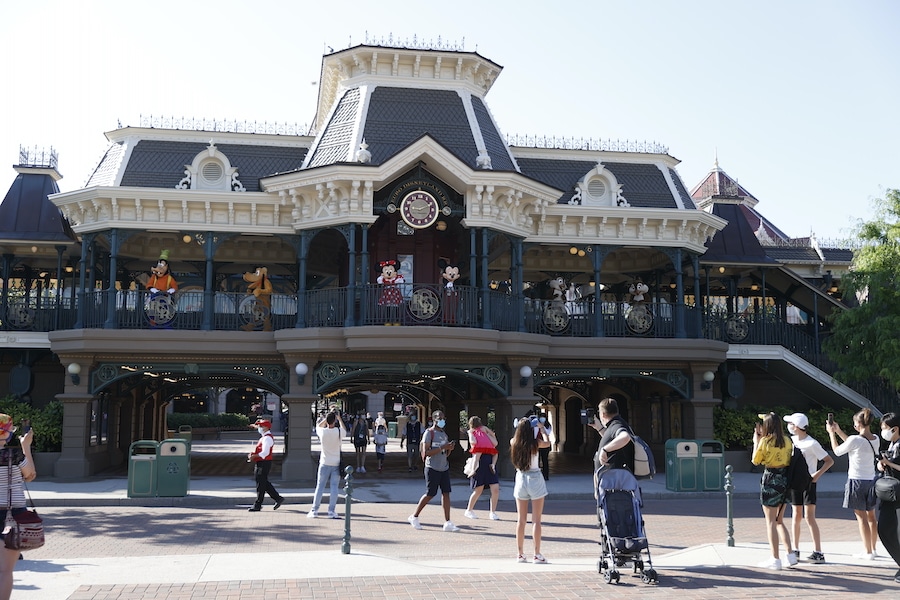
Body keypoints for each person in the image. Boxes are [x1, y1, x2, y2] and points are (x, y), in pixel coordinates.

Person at [827, 407, 880, 560]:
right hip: (871, 480)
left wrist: (832, 433)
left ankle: (867, 551)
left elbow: (837, 451)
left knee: (861, 518)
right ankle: (873, 549)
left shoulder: (855, 440)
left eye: (855, 423)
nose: (854, 426)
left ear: (859, 423)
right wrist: (839, 431)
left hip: (856, 481)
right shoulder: (875, 439)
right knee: (871, 517)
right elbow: (853, 443)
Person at [783, 412, 834, 564]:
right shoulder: (790, 441)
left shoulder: (812, 443)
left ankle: (818, 551)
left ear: (797, 426)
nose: (790, 426)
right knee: (796, 514)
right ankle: (795, 549)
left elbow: (828, 461)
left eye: (792, 424)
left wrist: (816, 476)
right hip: (794, 482)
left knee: (809, 516)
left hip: (808, 482)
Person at [751, 412, 797, 570]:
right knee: (779, 520)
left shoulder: (765, 441)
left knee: (770, 521)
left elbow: (755, 461)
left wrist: (756, 441)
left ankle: (775, 558)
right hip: (784, 479)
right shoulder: (787, 440)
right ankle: (790, 555)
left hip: (771, 478)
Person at [0, 414, 35, 600]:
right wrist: (25, 446)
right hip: (14, 513)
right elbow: (30, 474)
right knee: (5, 571)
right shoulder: (15, 455)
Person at [407, 409, 459, 532]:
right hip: (432, 468)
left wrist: (449, 448)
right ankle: (414, 516)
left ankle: (448, 522)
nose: (442, 420)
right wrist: (442, 447)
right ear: (434, 419)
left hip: (443, 467)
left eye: (443, 418)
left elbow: (445, 454)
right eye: (439, 418)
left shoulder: (444, 434)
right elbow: (426, 452)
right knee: (430, 493)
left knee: (446, 493)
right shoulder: (429, 433)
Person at [510, 415, 551, 563]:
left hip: (521, 478)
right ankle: (537, 554)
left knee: (521, 520)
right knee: (536, 520)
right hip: (535, 478)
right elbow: (548, 442)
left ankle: (520, 554)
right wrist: (541, 428)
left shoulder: (514, 442)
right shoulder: (535, 443)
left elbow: (516, 436)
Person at [876, 412, 900, 583]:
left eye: (885, 428)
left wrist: (888, 463)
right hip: (889, 494)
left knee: (897, 532)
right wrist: (881, 464)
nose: (883, 431)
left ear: (895, 428)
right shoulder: (892, 444)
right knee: (884, 529)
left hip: (898, 494)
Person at [308, 409, 344, 519]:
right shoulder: (338, 432)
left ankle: (314, 510)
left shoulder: (322, 432)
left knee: (320, 487)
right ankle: (331, 511)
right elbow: (344, 429)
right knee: (334, 487)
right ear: (335, 421)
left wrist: (326, 418)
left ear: (327, 421)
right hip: (336, 463)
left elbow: (318, 425)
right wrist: (339, 418)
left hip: (324, 462)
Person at [589, 398, 634, 486]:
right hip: (612, 480)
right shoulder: (614, 424)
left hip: (614, 483)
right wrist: (599, 428)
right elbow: (612, 439)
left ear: (603, 414)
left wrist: (605, 450)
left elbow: (625, 437)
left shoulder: (617, 425)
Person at [464, 416, 500, 520]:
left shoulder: (484, 430)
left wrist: (488, 434)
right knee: (478, 490)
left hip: (489, 463)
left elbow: (494, 439)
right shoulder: (472, 432)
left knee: (495, 489)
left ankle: (493, 512)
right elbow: (473, 443)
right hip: (480, 464)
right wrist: (470, 433)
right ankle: (469, 510)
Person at [247, 418, 284, 512]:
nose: (259, 427)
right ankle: (277, 498)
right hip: (261, 462)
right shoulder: (264, 437)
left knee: (261, 483)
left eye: (261, 426)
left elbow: (265, 453)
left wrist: (254, 456)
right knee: (263, 482)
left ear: (266, 427)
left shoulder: (267, 438)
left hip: (264, 462)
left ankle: (258, 504)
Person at [537, 411, 552, 480]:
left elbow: (547, 433)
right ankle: (538, 475)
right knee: (537, 460)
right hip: (538, 444)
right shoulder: (536, 425)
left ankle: (546, 475)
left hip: (545, 445)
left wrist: (542, 427)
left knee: (545, 460)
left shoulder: (548, 426)